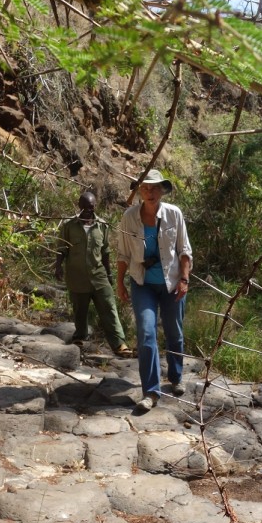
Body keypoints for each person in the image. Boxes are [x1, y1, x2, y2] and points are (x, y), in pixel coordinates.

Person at [116, 169, 192, 412]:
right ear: (140, 191)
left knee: (174, 332)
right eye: (145, 188)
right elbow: (123, 253)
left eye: (154, 188)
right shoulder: (129, 217)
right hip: (142, 284)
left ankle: (176, 377)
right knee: (147, 334)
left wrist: (184, 279)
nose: (150, 192)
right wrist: (119, 282)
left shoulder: (174, 214)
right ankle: (150, 391)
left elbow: (184, 250)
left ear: (161, 190)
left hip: (172, 284)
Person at [55, 192, 132, 357]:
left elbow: (105, 252)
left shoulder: (102, 225)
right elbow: (62, 248)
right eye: (85, 207)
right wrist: (58, 266)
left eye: (91, 207)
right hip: (77, 276)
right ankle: (79, 339)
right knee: (79, 310)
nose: (89, 210)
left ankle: (120, 344)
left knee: (109, 308)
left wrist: (110, 275)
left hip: (99, 276)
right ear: (79, 206)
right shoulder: (69, 225)